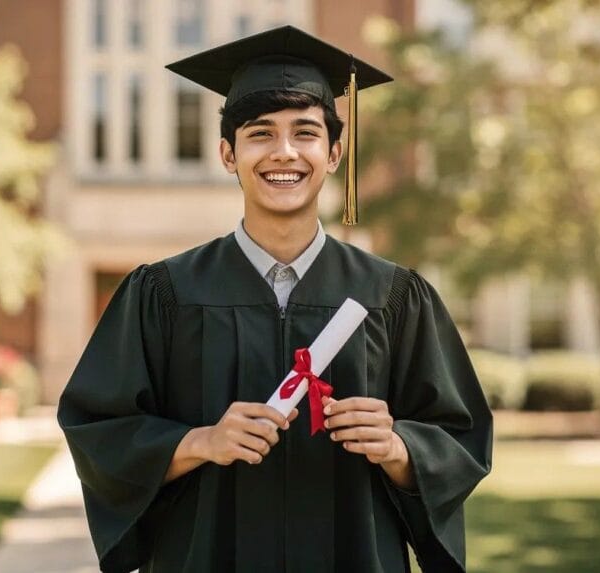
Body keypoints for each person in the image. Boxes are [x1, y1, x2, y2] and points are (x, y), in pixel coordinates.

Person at [57, 25, 492, 573]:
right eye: (260, 133)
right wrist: (200, 441)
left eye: (305, 133)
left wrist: (400, 447)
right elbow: (99, 431)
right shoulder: (164, 294)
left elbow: (462, 439)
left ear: (334, 153)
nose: (283, 152)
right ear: (227, 153)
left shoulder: (394, 297)